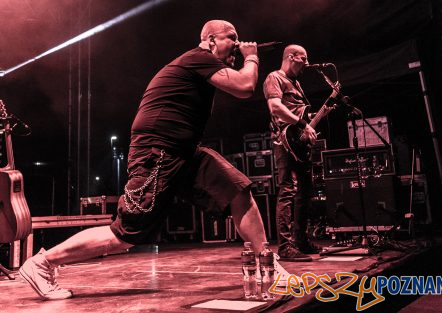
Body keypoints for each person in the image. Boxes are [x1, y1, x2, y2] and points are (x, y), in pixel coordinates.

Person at [20, 20, 270, 300]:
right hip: (158, 152)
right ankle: (42, 263)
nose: (237, 44)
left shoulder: (203, 64)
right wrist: (252, 56)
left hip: (185, 151)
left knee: (237, 190)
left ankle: (268, 266)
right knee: (124, 235)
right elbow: (245, 85)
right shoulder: (198, 57)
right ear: (211, 40)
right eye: (231, 38)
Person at [263, 45, 337, 261]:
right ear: (291, 57)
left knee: (305, 191)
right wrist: (303, 123)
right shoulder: (274, 78)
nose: (306, 63)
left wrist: (318, 116)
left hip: (299, 142)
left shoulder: (296, 84)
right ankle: (285, 246)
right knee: (287, 190)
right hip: (284, 141)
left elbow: (300, 114)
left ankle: (301, 241)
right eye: (303, 59)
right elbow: (275, 107)